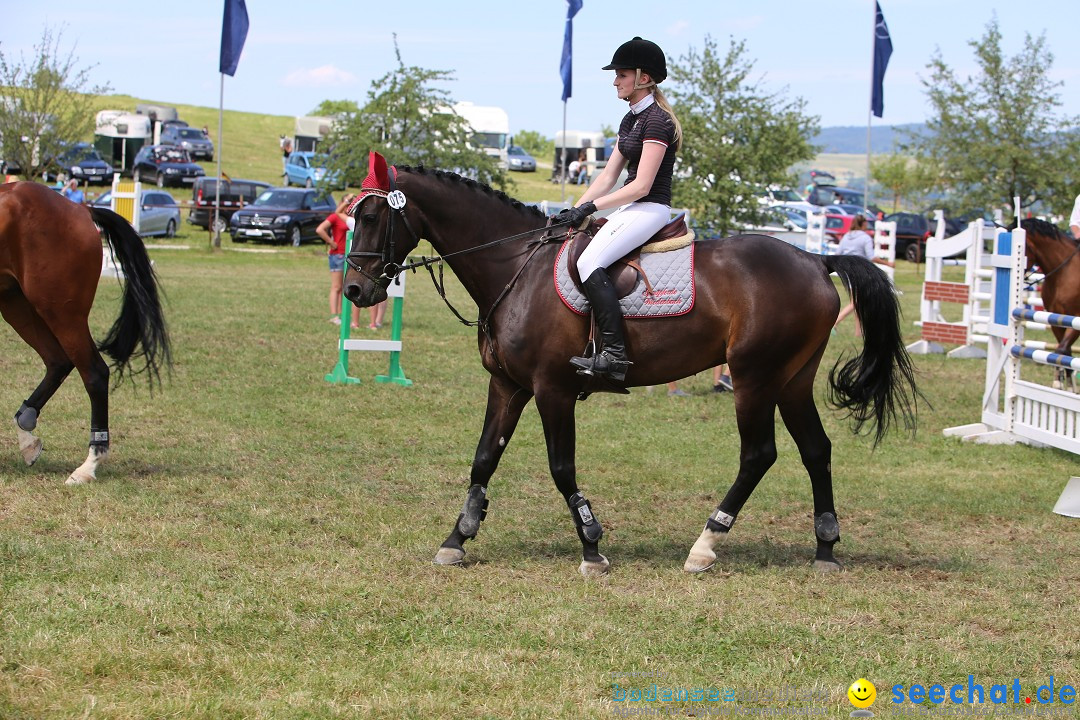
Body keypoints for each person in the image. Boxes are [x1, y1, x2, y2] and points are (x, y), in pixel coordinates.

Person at [553, 36, 682, 383]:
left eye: (622, 74)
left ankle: (614, 355)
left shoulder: (658, 122)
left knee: (589, 262)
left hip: (651, 207)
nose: (615, 81)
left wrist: (592, 207)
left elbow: (640, 185)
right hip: (632, 208)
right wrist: (574, 209)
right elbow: (609, 175)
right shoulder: (630, 120)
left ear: (644, 78)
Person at [833, 214, 894, 335]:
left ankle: (858, 332)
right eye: (866, 224)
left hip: (848, 271)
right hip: (860, 272)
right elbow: (871, 257)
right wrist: (888, 263)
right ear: (863, 224)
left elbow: (838, 253)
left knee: (857, 302)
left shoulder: (846, 236)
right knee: (857, 302)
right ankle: (835, 322)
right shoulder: (865, 238)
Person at [316, 195, 353, 327]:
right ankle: (334, 315)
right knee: (336, 286)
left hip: (349, 255)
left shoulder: (351, 219)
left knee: (344, 287)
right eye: (347, 204)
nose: (349, 207)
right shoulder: (335, 217)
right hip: (337, 254)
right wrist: (331, 242)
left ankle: (342, 314)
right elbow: (320, 229)